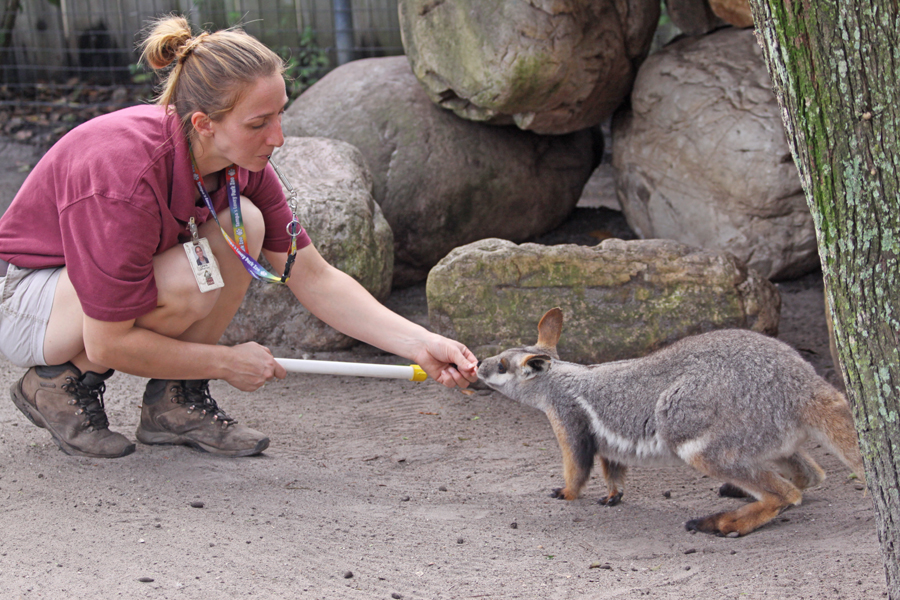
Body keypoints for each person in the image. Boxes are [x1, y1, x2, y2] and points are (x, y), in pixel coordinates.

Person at [0, 15, 477, 459]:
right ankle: (56, 383)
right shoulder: (122, 174)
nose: (279, 138)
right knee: (188, 283)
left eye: (279, 115)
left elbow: (315, 278)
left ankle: (173, 399)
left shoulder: (239, 165)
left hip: (91, 295)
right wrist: (225, 362)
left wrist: (420, 343)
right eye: (258, 123)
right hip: (31, 300)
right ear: (203, 124)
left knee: (244, 221)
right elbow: (108, 344)